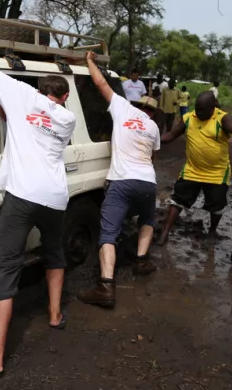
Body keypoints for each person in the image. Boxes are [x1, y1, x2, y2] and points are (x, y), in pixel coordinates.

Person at [0, 67, 75, 378]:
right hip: (55, 196)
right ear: (65, 97)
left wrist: (2, 97)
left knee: (6, 268)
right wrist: (12, 109)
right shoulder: (68, 119)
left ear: (40, 90)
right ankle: (55, 314)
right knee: (54, 251)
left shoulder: (24, 97)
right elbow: (35, 129)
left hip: (22, 194)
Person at [77, 52, 161, 308]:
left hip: (122, 182)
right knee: (147, 219)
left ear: (136, 105)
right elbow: (151, 157)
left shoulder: (123, 108)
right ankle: (142, 261)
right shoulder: (153, 127)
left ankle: (105, 286)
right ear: (153, 114)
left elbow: (101, 83)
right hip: (148, 182)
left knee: (108, 233)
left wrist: (89, 61)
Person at [157, 91, 232, 246]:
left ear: (213, 107)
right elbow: (171, 135)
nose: (198, 113)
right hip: (192, 171)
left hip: (217, 174)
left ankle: (212, 231)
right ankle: (165, 232)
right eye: (197, 108)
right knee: (178, 200)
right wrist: (152, 139)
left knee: (216, 206)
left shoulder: (222, 118)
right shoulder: (188, 118)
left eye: (202, 110)